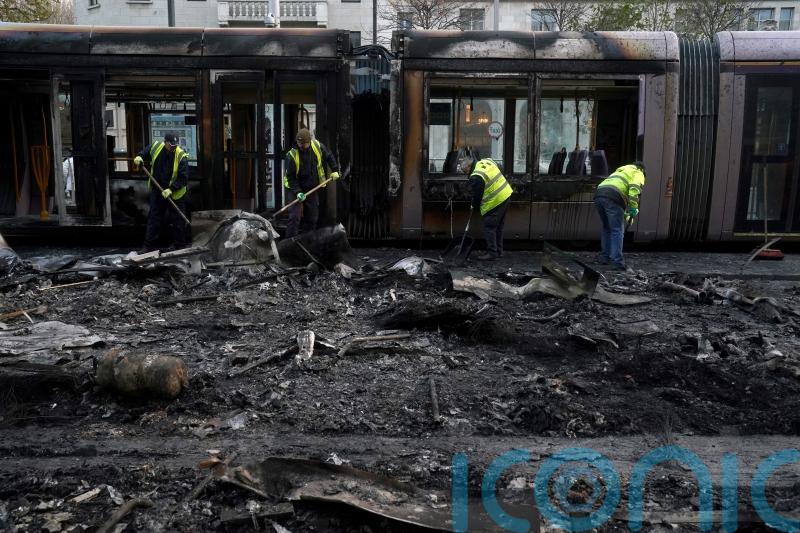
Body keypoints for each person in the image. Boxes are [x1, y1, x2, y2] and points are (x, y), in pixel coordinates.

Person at [133, 132, 190, 252]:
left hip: (175, 193)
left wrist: (171, 189)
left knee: (177, 220)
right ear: (165, 142)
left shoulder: (181, 156)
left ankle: (179, 245)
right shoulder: (156, 147)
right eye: (171, 145)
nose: (173, 147)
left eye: (175, 145)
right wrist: (140, 156)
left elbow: (183, 178)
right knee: (154, 218)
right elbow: (145, 152)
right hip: (157, 190)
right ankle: (148, 247)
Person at [282, 128, 340, 238]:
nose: (301, 146)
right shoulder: (292, 155)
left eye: (304, 144)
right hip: (294, 188)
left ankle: (306, 241)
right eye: (300, 143)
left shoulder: (317, 146)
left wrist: (335, 170)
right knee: (294, 217)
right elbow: (290, 177)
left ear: (309, 142)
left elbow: (329, 156)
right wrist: (298, 192)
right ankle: (289, 244)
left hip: (311, 187)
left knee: (312, 217)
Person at [593, 161, 646, 270]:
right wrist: (633, 208)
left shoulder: (621, 170)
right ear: (642, 170)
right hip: (612, 196)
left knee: (607, 228)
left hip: (599, 194)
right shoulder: (638, 172)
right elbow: (634, 191)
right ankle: (617, 262)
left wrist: (627, 214)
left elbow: (622, 198)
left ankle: (605, 258)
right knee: (617, 230)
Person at [468, 158, 513, 261]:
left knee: (489, 226)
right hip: (505, 194)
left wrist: (474, 206)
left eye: (464, 171)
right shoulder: (486, 161)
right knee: (499, 226)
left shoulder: (476, 176)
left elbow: (478, 197)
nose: (465, 173)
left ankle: (492, 253)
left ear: (468, 167)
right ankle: (499, 251)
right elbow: (500, 168)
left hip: (496, 200)